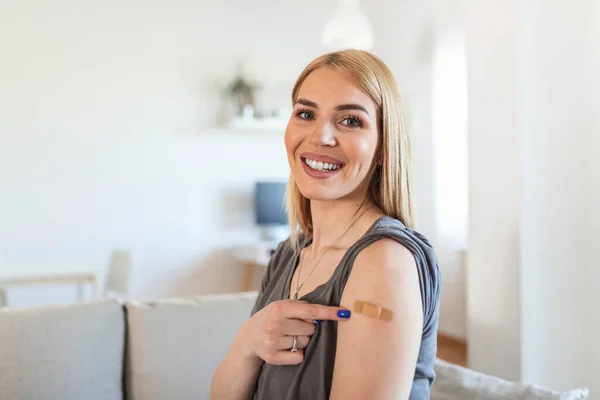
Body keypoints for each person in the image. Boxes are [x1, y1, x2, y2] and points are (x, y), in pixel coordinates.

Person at [211, 49, 441, 400]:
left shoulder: (384, 261)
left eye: (350, 121)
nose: (321, 137)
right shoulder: (290, 254)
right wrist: (247, 341)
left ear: (382, 147)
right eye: (305, 114)